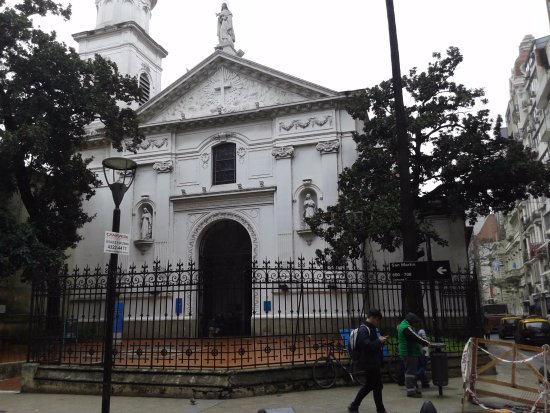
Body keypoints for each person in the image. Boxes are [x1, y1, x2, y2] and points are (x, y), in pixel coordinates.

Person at [347, 308, 388, 413]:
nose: (378, 322)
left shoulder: (370, 328)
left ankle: (354, 406)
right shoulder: (364, 329)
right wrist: (379, 341)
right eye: (377, 320)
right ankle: (380, 409)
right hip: (369, 363)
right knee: (377, 386)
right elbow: (367, 346)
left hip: (372, 362)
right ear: (372, 317)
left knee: (370, 385)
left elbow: (372, 345)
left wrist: (380, 341)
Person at [397, 312, 430, 398]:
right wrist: (425, 342)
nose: (415, 324)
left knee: (411, 371)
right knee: (410, 372)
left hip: (409, 352)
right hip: (409, 352)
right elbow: (415, 337)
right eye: (414, 322)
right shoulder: (406, 327)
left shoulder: (403, 325)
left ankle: (413, 389)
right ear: (411, 321)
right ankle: (411, 391)